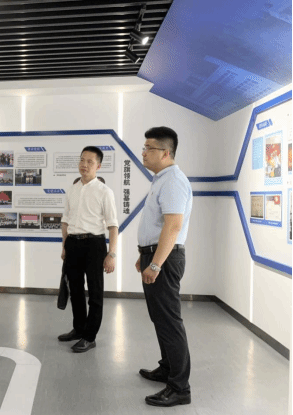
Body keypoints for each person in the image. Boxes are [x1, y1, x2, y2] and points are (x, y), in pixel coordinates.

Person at [135, 127, 193, 407]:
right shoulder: (161, 180)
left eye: (149, 148)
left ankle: (180, 387)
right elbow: (157, 225)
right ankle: (168, 368)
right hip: (156, 256)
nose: (144, 152)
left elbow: (173, 226)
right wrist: (145, 255)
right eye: (144, 147)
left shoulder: (173, 181)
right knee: (160, 319)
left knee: (170, 322)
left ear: (166, 153)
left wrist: (156, 263)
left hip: (166, 260)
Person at [59, 146, 119, 353]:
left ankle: (90, 336)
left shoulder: (104, 191)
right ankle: (79, 329)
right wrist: (64, 246)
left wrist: (111, 254)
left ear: (98, 166)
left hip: (94, 245)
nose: (84, 165)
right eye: (82, 160)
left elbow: (113, 226)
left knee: (95, 293)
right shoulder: (72, 189)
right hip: (73, 244)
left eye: (89, 162)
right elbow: (65, 220)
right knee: (75, 291)